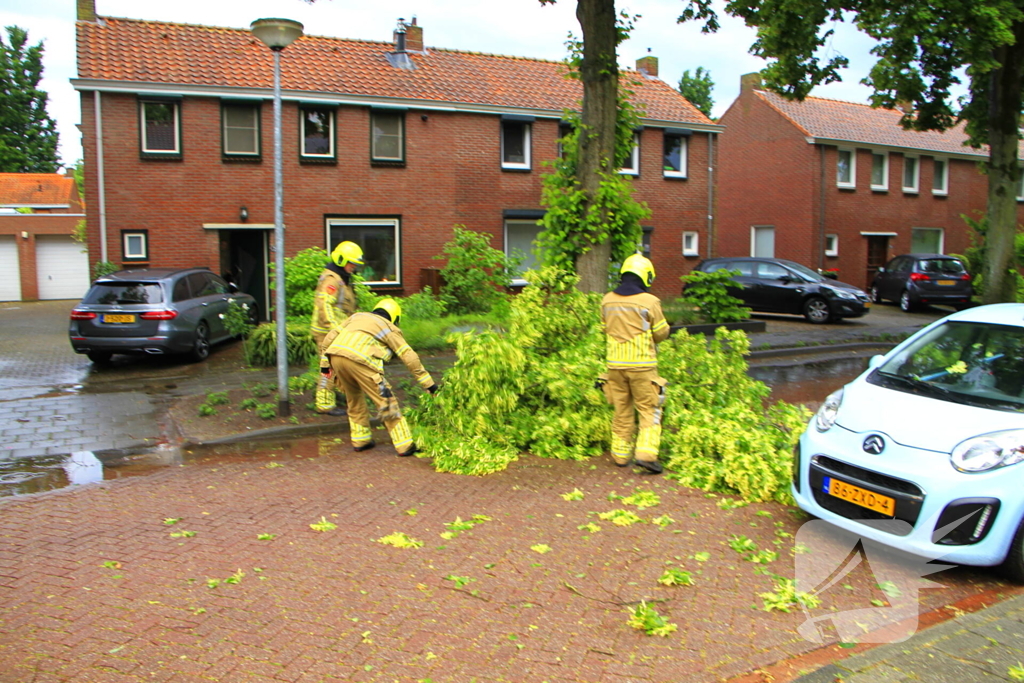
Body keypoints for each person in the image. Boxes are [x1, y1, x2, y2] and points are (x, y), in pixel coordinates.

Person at [321, 298, 438, 456]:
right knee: (386, 400)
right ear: (395, 317)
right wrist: (429, 384)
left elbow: (328, 338)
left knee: (353, 400)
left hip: (336, 358)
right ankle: (404, 445)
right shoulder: (388, 327)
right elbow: (408, 356)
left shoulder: (356, 317)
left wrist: (324, 365)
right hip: (361, 361)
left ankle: (361, 440)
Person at [599, 254, 670, 474]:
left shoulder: (607, 300)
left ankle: (620, 456)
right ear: (646, 276)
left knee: (621, 410)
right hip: (642, 366)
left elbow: (605, 328)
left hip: (615, 367)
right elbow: (661, 333)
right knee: (649, 409)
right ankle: (646, 455)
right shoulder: (650, 302)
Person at [311, 241, 363, 416]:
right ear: (341, 260)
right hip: (328, 333)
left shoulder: (341, 279)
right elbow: (325, 306)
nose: (353, 268)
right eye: (351, 263)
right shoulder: (332, 279)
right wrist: (335, 330)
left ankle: (341, 395)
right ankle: (324, 404)